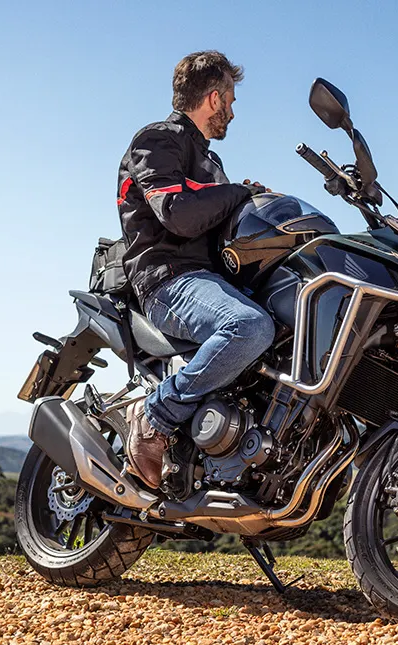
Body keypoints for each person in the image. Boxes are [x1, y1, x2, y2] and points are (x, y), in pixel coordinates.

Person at [115, 51, 275, 489]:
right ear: (214, 97)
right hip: (168, 279)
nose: (234, 111)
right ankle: (154, 415)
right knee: (248, 326)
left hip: (207, 280)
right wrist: (237, 192)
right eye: (231, 100)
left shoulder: (211, 163)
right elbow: (179, 213)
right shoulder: (158, 140)